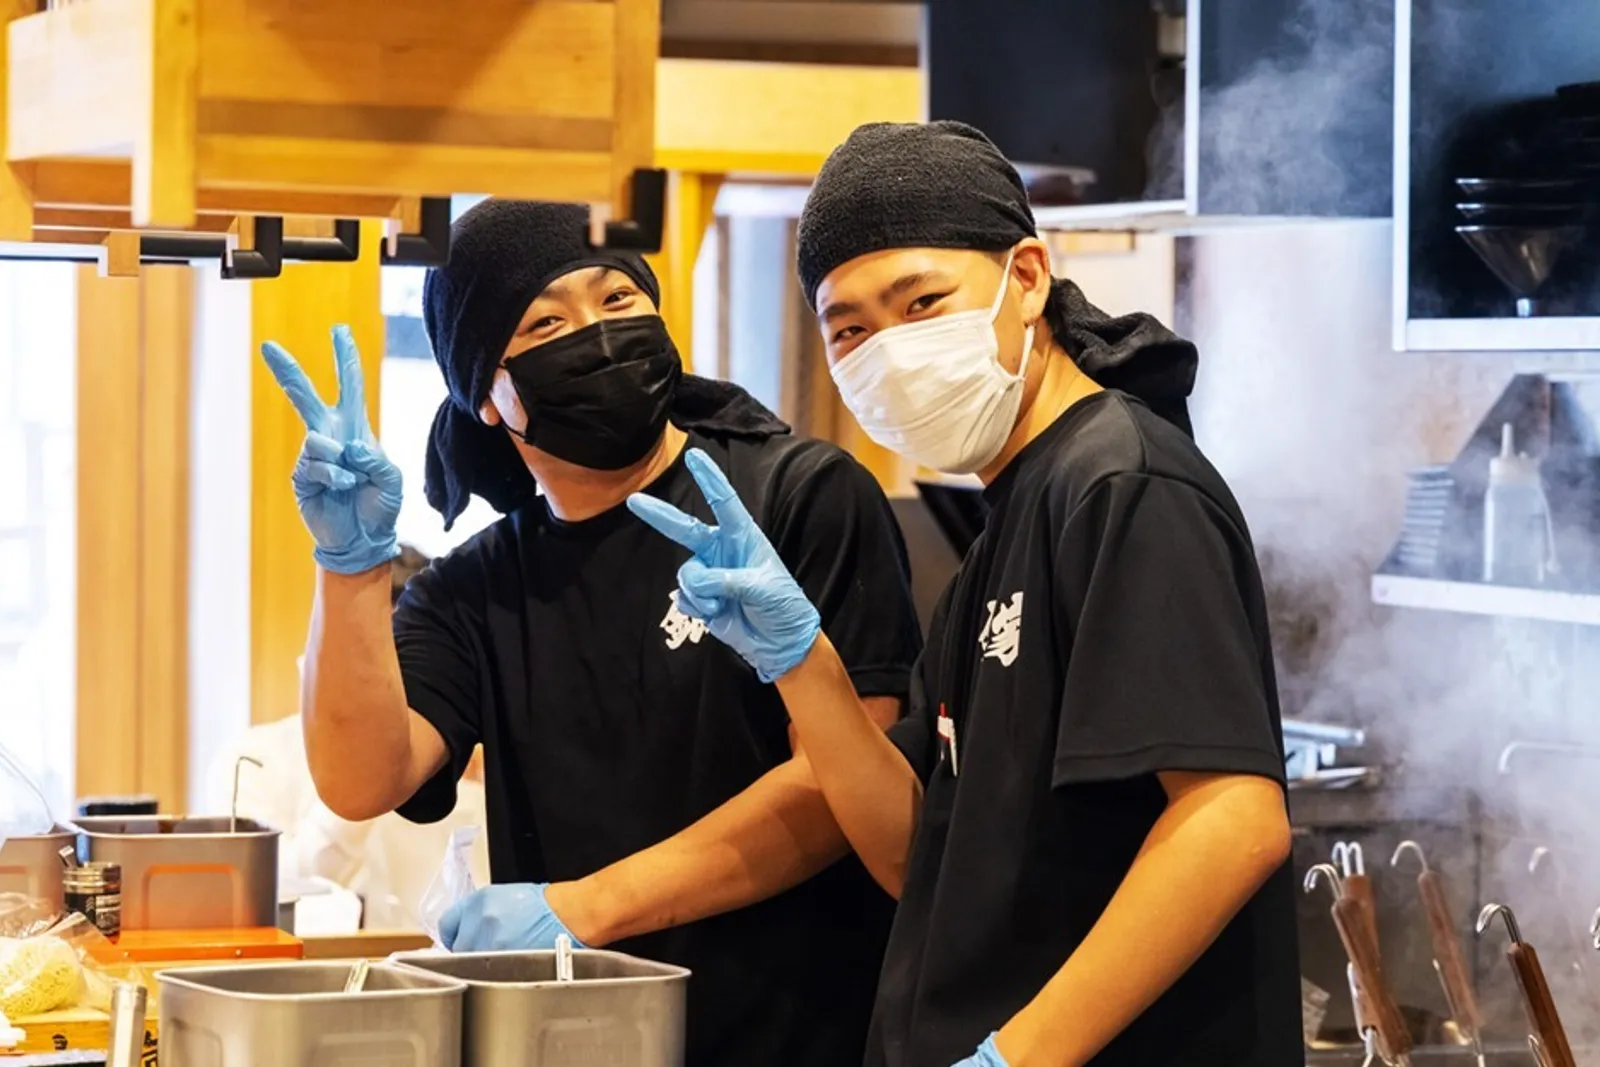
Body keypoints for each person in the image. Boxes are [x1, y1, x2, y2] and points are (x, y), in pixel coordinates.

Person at [628, 121, 1301, 1067]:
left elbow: (1232, 821)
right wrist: (804, 664)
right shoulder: (1009, 516)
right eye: (850, 328)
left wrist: (1019, 1056)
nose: (890, 350)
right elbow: (919, 857)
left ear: (1025, 277)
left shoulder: (1122, 485)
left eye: (923, 302)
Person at [259, 199, 922, 1067]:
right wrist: (349, 564)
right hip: (585, 1044)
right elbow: (359, 778)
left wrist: (589, 906)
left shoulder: (793, 497)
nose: (597, 335)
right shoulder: (478, 588)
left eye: (618, 301)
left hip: (801, 1035)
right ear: (485, 396)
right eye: (545, 322)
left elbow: (843, 783)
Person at [204, 545, 491, 930]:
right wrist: (367, 774)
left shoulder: (468, 766)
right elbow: (262, 903)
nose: (377, 683)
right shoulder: (254, 761)